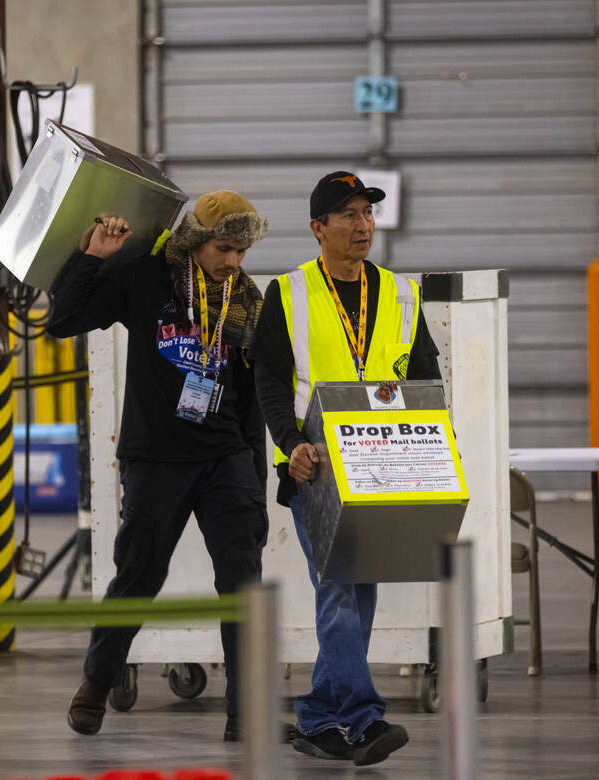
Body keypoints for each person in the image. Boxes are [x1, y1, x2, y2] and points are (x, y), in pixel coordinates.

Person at [48, 191, 279, 743]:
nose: (234, 263)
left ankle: (244, 713)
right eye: (224, 249)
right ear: (197, 241)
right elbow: (65, 320)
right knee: (138, 577)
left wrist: (257, 482)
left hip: (226, 457)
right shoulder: (145, 277)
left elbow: (252, 398)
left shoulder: (249, 299)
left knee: (242, 583)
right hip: (155, 457)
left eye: (243, 251)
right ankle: (96, 684)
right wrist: (94, 258)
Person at [251, 171, 442, 766]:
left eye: (368, 213)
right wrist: (290, 445)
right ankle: (363, 717)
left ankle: (316, 717)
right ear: (318, 229)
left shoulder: (401, 293)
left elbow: (424, 376)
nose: (363, 226)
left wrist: (427, 443)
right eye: (349, 215)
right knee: (336, 588)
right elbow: (271, 381)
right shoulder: (289, 292)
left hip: (381, 459)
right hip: (317, 466)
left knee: (360, 594)